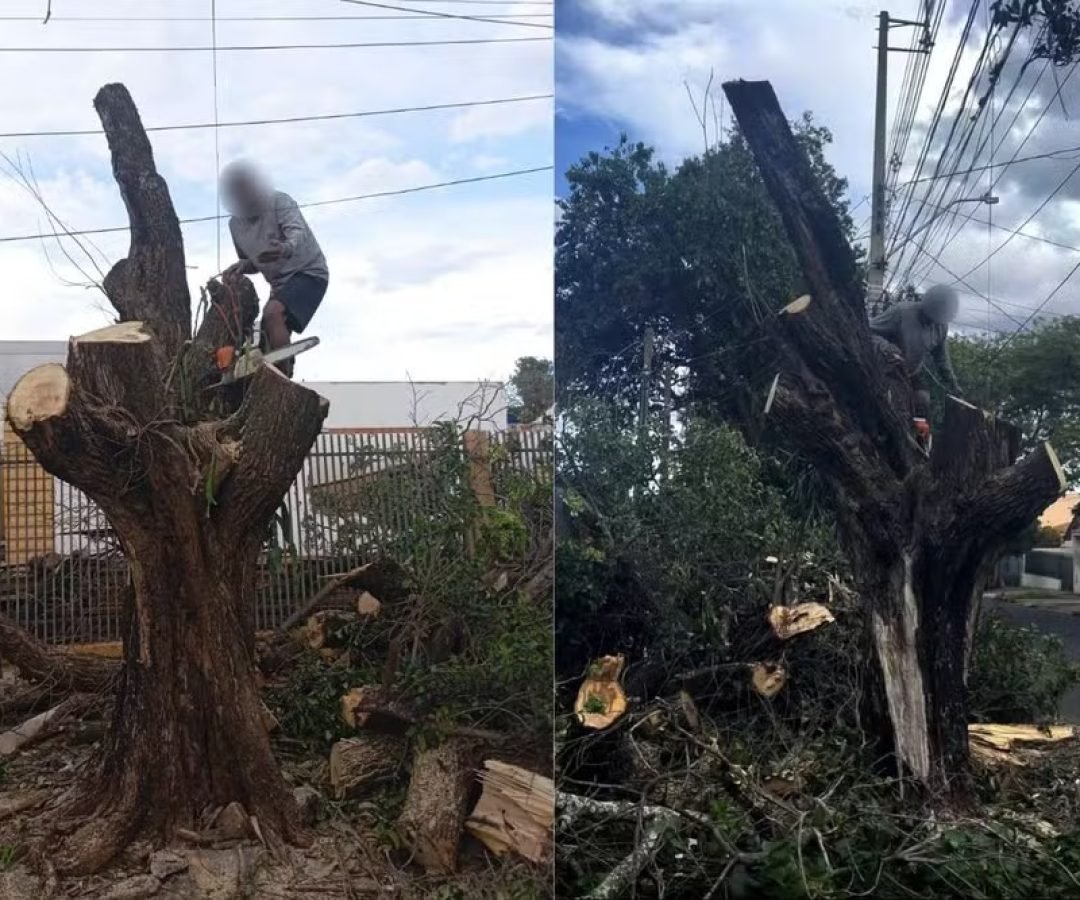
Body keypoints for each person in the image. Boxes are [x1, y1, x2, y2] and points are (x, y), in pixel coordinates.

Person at [220, 160, 328, 375]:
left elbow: (297, 233)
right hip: (279, 286)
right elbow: (254, 263)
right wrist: (241, 266)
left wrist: (285, 248)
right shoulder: (235, 225)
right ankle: (275, 375)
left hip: (308, 273)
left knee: (273, 313)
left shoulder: (279, 201)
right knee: (266, 334)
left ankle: (281, 375)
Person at [868, 284, 963, 446]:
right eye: (930, 318)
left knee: (922, 400)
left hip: (912, 372)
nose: (932, 322)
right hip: (888, 369)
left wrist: (953, 384)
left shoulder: (940, 327)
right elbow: (868, 332)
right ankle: (887, 437)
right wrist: (886, 348)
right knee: (896, 405)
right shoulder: (901, 312)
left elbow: (941, 359)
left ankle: (921, 441)